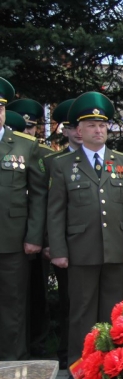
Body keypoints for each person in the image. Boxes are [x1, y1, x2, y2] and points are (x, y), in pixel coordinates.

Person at [47, 91, 123, 368]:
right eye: (91, 125)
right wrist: (58, 250)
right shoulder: (62, 164)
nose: (98, 130)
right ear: (79, 130)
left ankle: (111, 364)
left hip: (116, 247)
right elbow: (56, 212)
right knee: (81, 310)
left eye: (102, 125)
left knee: (113, 311)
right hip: (80, 249)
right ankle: (80, 365)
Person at [0, 77, 49, 362]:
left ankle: (11, 366)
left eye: (1, 107)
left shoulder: (24, 145)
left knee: (12, 307)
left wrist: (33, 236)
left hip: (12, 239)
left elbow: (38, 195)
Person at [42, 98, 79, 369]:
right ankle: (68, 354)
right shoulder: (54, 161)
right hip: (66, 244)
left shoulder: (116, 162)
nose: (78, 131)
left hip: (95, 246)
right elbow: (48, 207)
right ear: (64, 130)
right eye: (72, 126)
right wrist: (51, 244)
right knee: (70, 302)